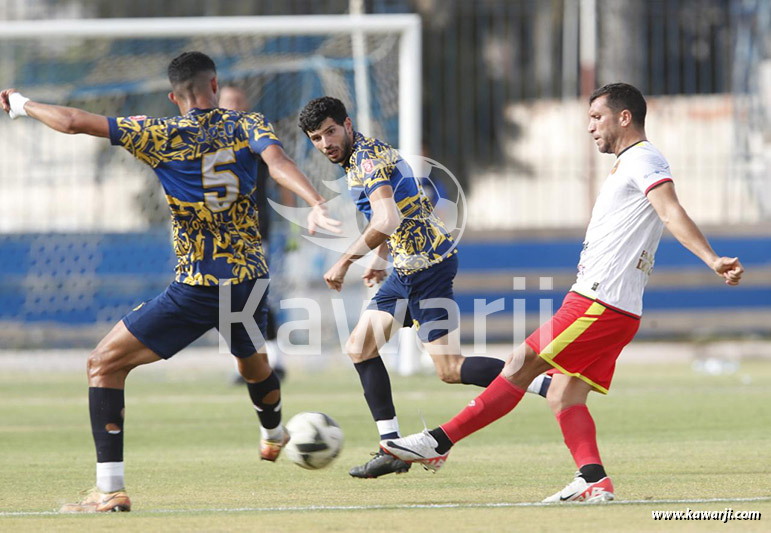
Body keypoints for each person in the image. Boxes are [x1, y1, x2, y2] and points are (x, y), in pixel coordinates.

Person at [1, 51, 340, 513]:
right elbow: (277, 160)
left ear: (173, 95)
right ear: (215, 84)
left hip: (199, 284)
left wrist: (22, 103)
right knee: (253, 364)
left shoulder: (158, 133)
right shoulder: (247, 124)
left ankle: (110, 491)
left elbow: (75, 121)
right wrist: (315, 200)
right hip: (250, 279)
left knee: (103, 365)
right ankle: (272, 432)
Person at [380, 82, 744, 503]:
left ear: (624, 117)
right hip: (614, 305)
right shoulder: (629, 162)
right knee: (563, 392)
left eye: (596, 117)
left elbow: (670, 209)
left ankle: (438, 443)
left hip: (599, 301)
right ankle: (593, 480)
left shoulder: (643, 158)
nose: (590, 127)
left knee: (521, 362)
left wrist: (711, 258)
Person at [298, 96, 551, 479]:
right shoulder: (359, 157)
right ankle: (392, 448)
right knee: (360, 348)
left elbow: (387, 216)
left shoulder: (366, 160)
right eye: (316, 138)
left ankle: (546, 383)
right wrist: (381, 257)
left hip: (425, 268)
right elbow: (394, 211)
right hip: (408, 267)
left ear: (347, 125)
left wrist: (345, 259)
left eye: (330, 132)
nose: (325, 143)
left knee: (450, 369)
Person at [219, 85, 293, 382]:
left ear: (246, 104)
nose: (232, 107)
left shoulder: (256, 136)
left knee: (252, 294)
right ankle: (248, 363)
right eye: (227, 102)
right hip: (216, 235)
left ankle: (274, 359)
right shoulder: (206, 139)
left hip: (252, 228)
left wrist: (293, 227)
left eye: (237, 101)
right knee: (228, 299)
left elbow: (281, 175)